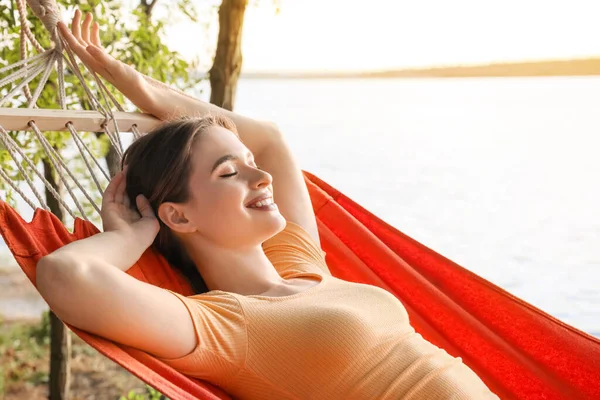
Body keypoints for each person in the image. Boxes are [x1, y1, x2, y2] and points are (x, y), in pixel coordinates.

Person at [36, 9, 499, 399]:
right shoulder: (229, 326)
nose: (262, 177)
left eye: (249, 163)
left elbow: (270, 140)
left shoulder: (300, 265)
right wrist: (130, 236)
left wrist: (140, 87)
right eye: (229, 172)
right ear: (179, 215)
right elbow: (67, 275)